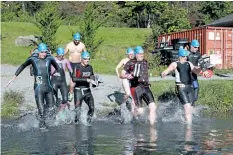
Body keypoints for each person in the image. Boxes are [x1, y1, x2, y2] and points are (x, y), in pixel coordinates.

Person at [7, 43, 61, 129]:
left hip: (49, 87)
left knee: (51, 109)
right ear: (38, 52)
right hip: (39, 88)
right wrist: (13, 78)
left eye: (45, 52)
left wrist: (53, 74)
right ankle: (42, 127)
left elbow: (58, 68)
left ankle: (44, 120)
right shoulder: (32, 59)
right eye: (42, 52)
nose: (44, 54)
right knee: (42, 111)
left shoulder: (50, 58)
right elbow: (22, 66)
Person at [161, 48, 202, 126]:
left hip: (189, 87)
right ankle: (189, 128)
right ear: (179, 56)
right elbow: (168, 70)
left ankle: (185, 120)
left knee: (191, 107)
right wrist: (164, 73)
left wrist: (201, 67)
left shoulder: (189, 63)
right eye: (183, 56)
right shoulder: (175, 64)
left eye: (186, 56)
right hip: (181, 87)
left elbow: (196, 71)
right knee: (187, 107)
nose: (185, 58)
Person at [121, 46, 157, 125]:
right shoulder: (130, 63)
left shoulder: (145, 62)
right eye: (140, 54)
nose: (142, 55)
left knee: (153, 107)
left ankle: (152, 128)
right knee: (140, 111)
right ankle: (132, 118)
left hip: (146, 87)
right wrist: (127, 76)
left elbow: (146, 73)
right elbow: (122, 74)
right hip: (136, 88)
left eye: (142, 54)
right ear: (136, 54)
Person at [72, 51, 98, 124]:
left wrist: (95, 83)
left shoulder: (90, 67)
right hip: (78, 91)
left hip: (87, 91)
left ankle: (88, 123)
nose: (87, 60)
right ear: (81, 59)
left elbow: (92, 76)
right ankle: (76, 125)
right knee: (77, 111)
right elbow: (74, 79)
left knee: (92, 108)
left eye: (88, 59)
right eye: (85, 59)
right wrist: (87, 80)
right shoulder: (77, 67)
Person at [65, 32, 87, 102]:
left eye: (78, 40)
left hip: (79, 63)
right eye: (76, 40)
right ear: (73, 39)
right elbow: (64, 53)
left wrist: (85, 63)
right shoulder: (69, 45)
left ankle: (79, 91)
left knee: (79, 77)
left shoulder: (82, 45)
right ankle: (71, 93)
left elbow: (85, 54)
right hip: (71, 63)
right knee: (73, 78)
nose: (77, 41)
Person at [187, 40, 210, 104]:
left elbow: (201, 62)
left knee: (196, 87)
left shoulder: (198, 54)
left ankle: (192, 103)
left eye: (197, 47)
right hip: (186, 75)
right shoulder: (186, 53)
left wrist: (204, 70)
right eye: (195, 47)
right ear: (191, 46)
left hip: (194, 74)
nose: (196, 49)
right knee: (188, 89)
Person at [51, 47, 73, 112]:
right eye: (60, 55)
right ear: (57, 54)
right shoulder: (52, 60)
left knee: (65, 99)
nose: (61, 57)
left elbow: (70, 70)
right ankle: (55, 111)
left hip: (62, 82)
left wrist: (73, 77)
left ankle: (61, 111)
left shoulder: (66, 61)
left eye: (63, 55)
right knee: (54, 98)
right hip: (54, 81)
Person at [115, 48, 135, 115]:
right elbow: (117, 68)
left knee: (134, 95)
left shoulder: (135, 61)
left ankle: (132, 111)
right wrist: (118, 75)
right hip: (125, 78)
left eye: (132, 54)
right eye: (130, 54)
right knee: (128, 94)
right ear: (127, 54)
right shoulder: (124, 60)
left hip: (132, 79)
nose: (131, 55)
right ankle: (123, 104)